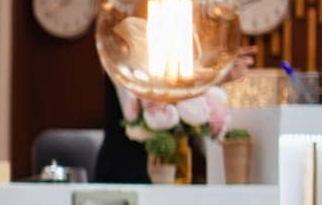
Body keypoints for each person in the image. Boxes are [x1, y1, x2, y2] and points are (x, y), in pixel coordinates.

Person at [95, 45, 256, 183]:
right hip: (126, 173)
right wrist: (211, 79)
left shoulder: (182, 60)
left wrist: (216, 78)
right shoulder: (123, 56)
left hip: (180, 173)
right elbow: (138, 114)